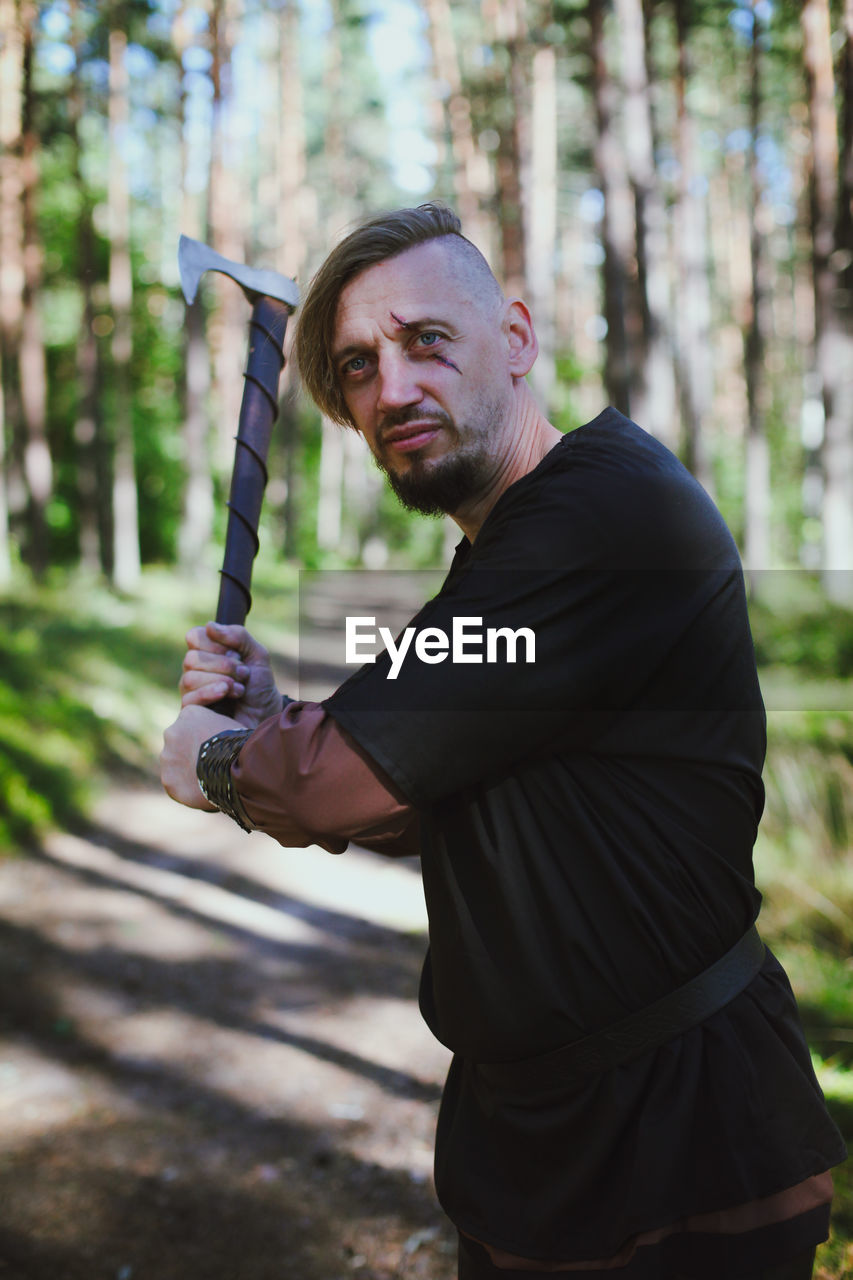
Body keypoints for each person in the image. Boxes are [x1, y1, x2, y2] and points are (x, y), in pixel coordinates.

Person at [160, 203, 846, 1279]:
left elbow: (335, 783)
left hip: (683, 1143)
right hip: (534, 1139)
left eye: (425, 339)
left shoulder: (602, 518)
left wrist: (208, 759)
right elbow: (426, 784)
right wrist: (268, 716)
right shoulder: (503, 552)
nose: (391, 388)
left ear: (516, 339)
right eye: (355, 366)